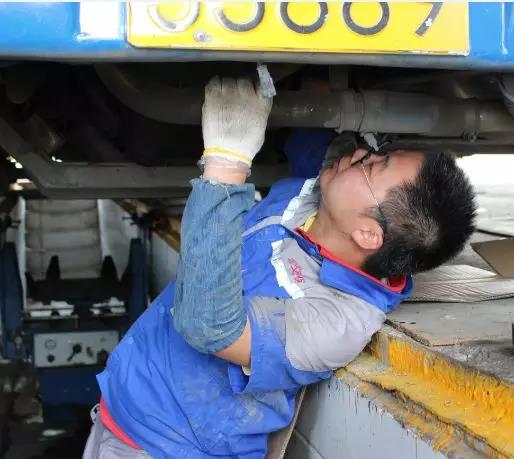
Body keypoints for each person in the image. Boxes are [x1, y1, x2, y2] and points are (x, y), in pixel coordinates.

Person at [83, 77, 476, 458]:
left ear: (368, 234)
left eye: (373, 166)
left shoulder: (335, 322)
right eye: (376, 153)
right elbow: (316, 138)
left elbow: (210, 329)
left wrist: (227, 164)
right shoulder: (317, 200)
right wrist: (317, 80)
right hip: (121, 414)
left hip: (167, 448)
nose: (361, 155)